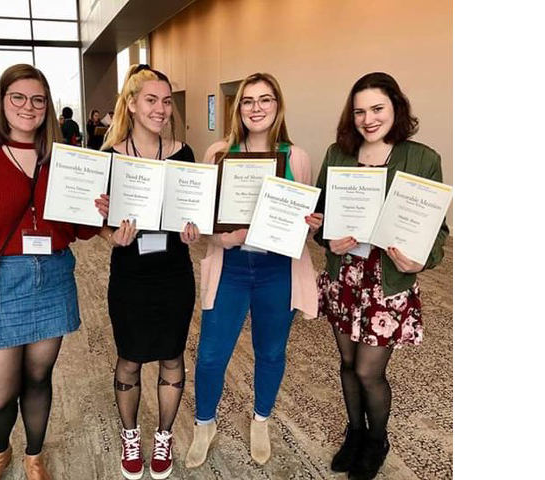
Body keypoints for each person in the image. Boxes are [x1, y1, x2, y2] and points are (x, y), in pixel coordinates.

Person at [0, 64, 100, 480]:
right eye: (19, 98)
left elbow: (78, 231)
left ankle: (33, 455)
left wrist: (96, 211)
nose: (29, 107)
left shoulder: (61, 158)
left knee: (38, 377)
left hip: (52, 276)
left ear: (48, 107)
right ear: (2, 101)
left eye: (38, 99)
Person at [312, 72, 449, 480]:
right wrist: (324, 236)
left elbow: (438, 231)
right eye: (359, 111)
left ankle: (377, 440)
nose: (368, 119)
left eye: (377, 109)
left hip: (386, 281)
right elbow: (322, 217)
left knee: (370, 371)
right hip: (345, 275)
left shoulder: (422, 158)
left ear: (396, 108)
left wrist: (421, 261)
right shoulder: (338, 153)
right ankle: (355, 433)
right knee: (347, 363)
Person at [184, 72, 323, 469]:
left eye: (265, 100)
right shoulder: (217, 153)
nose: (256, 108)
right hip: (231, 267)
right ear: (238, 108)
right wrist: (218, 238)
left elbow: (301, 225)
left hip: (277, 270)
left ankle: (260, 418)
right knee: (211, 354)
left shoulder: (296, 156)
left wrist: (308, 226)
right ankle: (204, 424)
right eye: (248, 101)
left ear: (278, 106)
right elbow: (205, 217)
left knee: (270, 351)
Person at [92, 64, 197, 480]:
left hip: (174, 273)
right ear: (132, 104)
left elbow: (194, 214)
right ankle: (131, 434)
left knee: (172, 355)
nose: (161, 109)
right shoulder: (110, 156)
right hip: (130, 275)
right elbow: (95, 221)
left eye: (166, 101)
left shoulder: (183, 153)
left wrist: (194, 231)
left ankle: (164, 436)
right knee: (130, 359)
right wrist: (109, 236)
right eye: (151, 100)